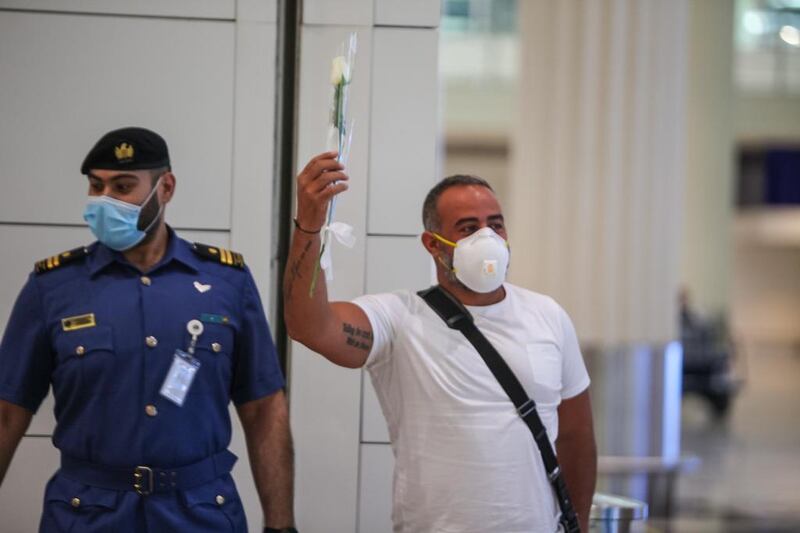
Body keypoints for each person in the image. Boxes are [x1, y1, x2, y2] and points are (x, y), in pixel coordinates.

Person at [0, 127, 297, 533]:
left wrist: (281, 525)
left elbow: (264, 409)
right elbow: (6, 412)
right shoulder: (53, 287)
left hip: (200, 514)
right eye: (96, 186)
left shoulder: (227, 282)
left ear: (166, 187)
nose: (106, 200)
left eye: (123, 187)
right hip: (85, 516)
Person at [284, 152, 597, 532]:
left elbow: (577, 437)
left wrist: (576, 523)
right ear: (433, 244)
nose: (488, 238)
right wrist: (309, 227)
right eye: (468, 228)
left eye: (495, 225)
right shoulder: (400, 317)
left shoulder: (547, 316)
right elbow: (310, 327)